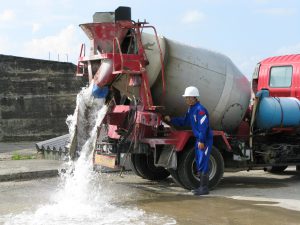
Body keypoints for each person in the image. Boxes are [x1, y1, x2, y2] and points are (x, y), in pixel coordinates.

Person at [164, 86, 213, 195]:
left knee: (203, 161)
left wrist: (201, 140)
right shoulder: (191, 109)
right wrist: (171, 119)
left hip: (204, 139)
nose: (186, 100)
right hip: (199, 139)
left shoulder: (200, 110)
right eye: (185, 98)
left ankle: (204, 188)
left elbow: (203, 126)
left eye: (187, 98)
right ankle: (201, 187)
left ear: (194, 98)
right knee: (199, 161)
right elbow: (185, 121)